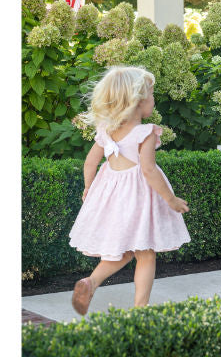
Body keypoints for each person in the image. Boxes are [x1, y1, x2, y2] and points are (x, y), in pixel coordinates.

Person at [67, 66, 191, 314]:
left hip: (112, 198)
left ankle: (91, 282)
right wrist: (171, 199)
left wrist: (89, 188)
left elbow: (90, 162)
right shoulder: (144, 133)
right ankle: (139, 310)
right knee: (145, 254)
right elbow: (148, 171)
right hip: (139, 199)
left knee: (120, 252)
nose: (154, 100)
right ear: (137, 101)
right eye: (152, 95)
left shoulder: (105, 131)